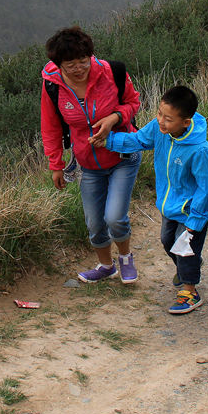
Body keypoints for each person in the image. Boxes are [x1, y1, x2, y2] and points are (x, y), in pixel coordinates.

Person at [93, 86, 208, 315]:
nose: (160, 120)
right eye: (159, 113)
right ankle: (190, 267)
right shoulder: (160, 131)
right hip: (169, 206)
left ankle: (189, 291)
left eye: (168, 119)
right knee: (168, 242)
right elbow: (138, 140)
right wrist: (108, 141)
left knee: (186, 249)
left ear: (185, 122)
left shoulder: (199, 150)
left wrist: (196, 219)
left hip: (191, 212)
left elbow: (205, 188)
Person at [40, 26, 142, 283]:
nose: (78, 68)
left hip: (122, 156)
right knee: (95, 223)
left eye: (83, 61)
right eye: (70, 64)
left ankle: (126, 259)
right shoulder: (52, 86)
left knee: (115, 217)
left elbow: (133, 102)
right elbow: (50, 126)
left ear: (91, 56)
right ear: (58, 64)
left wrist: (113, 119)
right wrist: (56, 164)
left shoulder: (112, 73)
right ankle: (106, 266)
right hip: (88, 163)